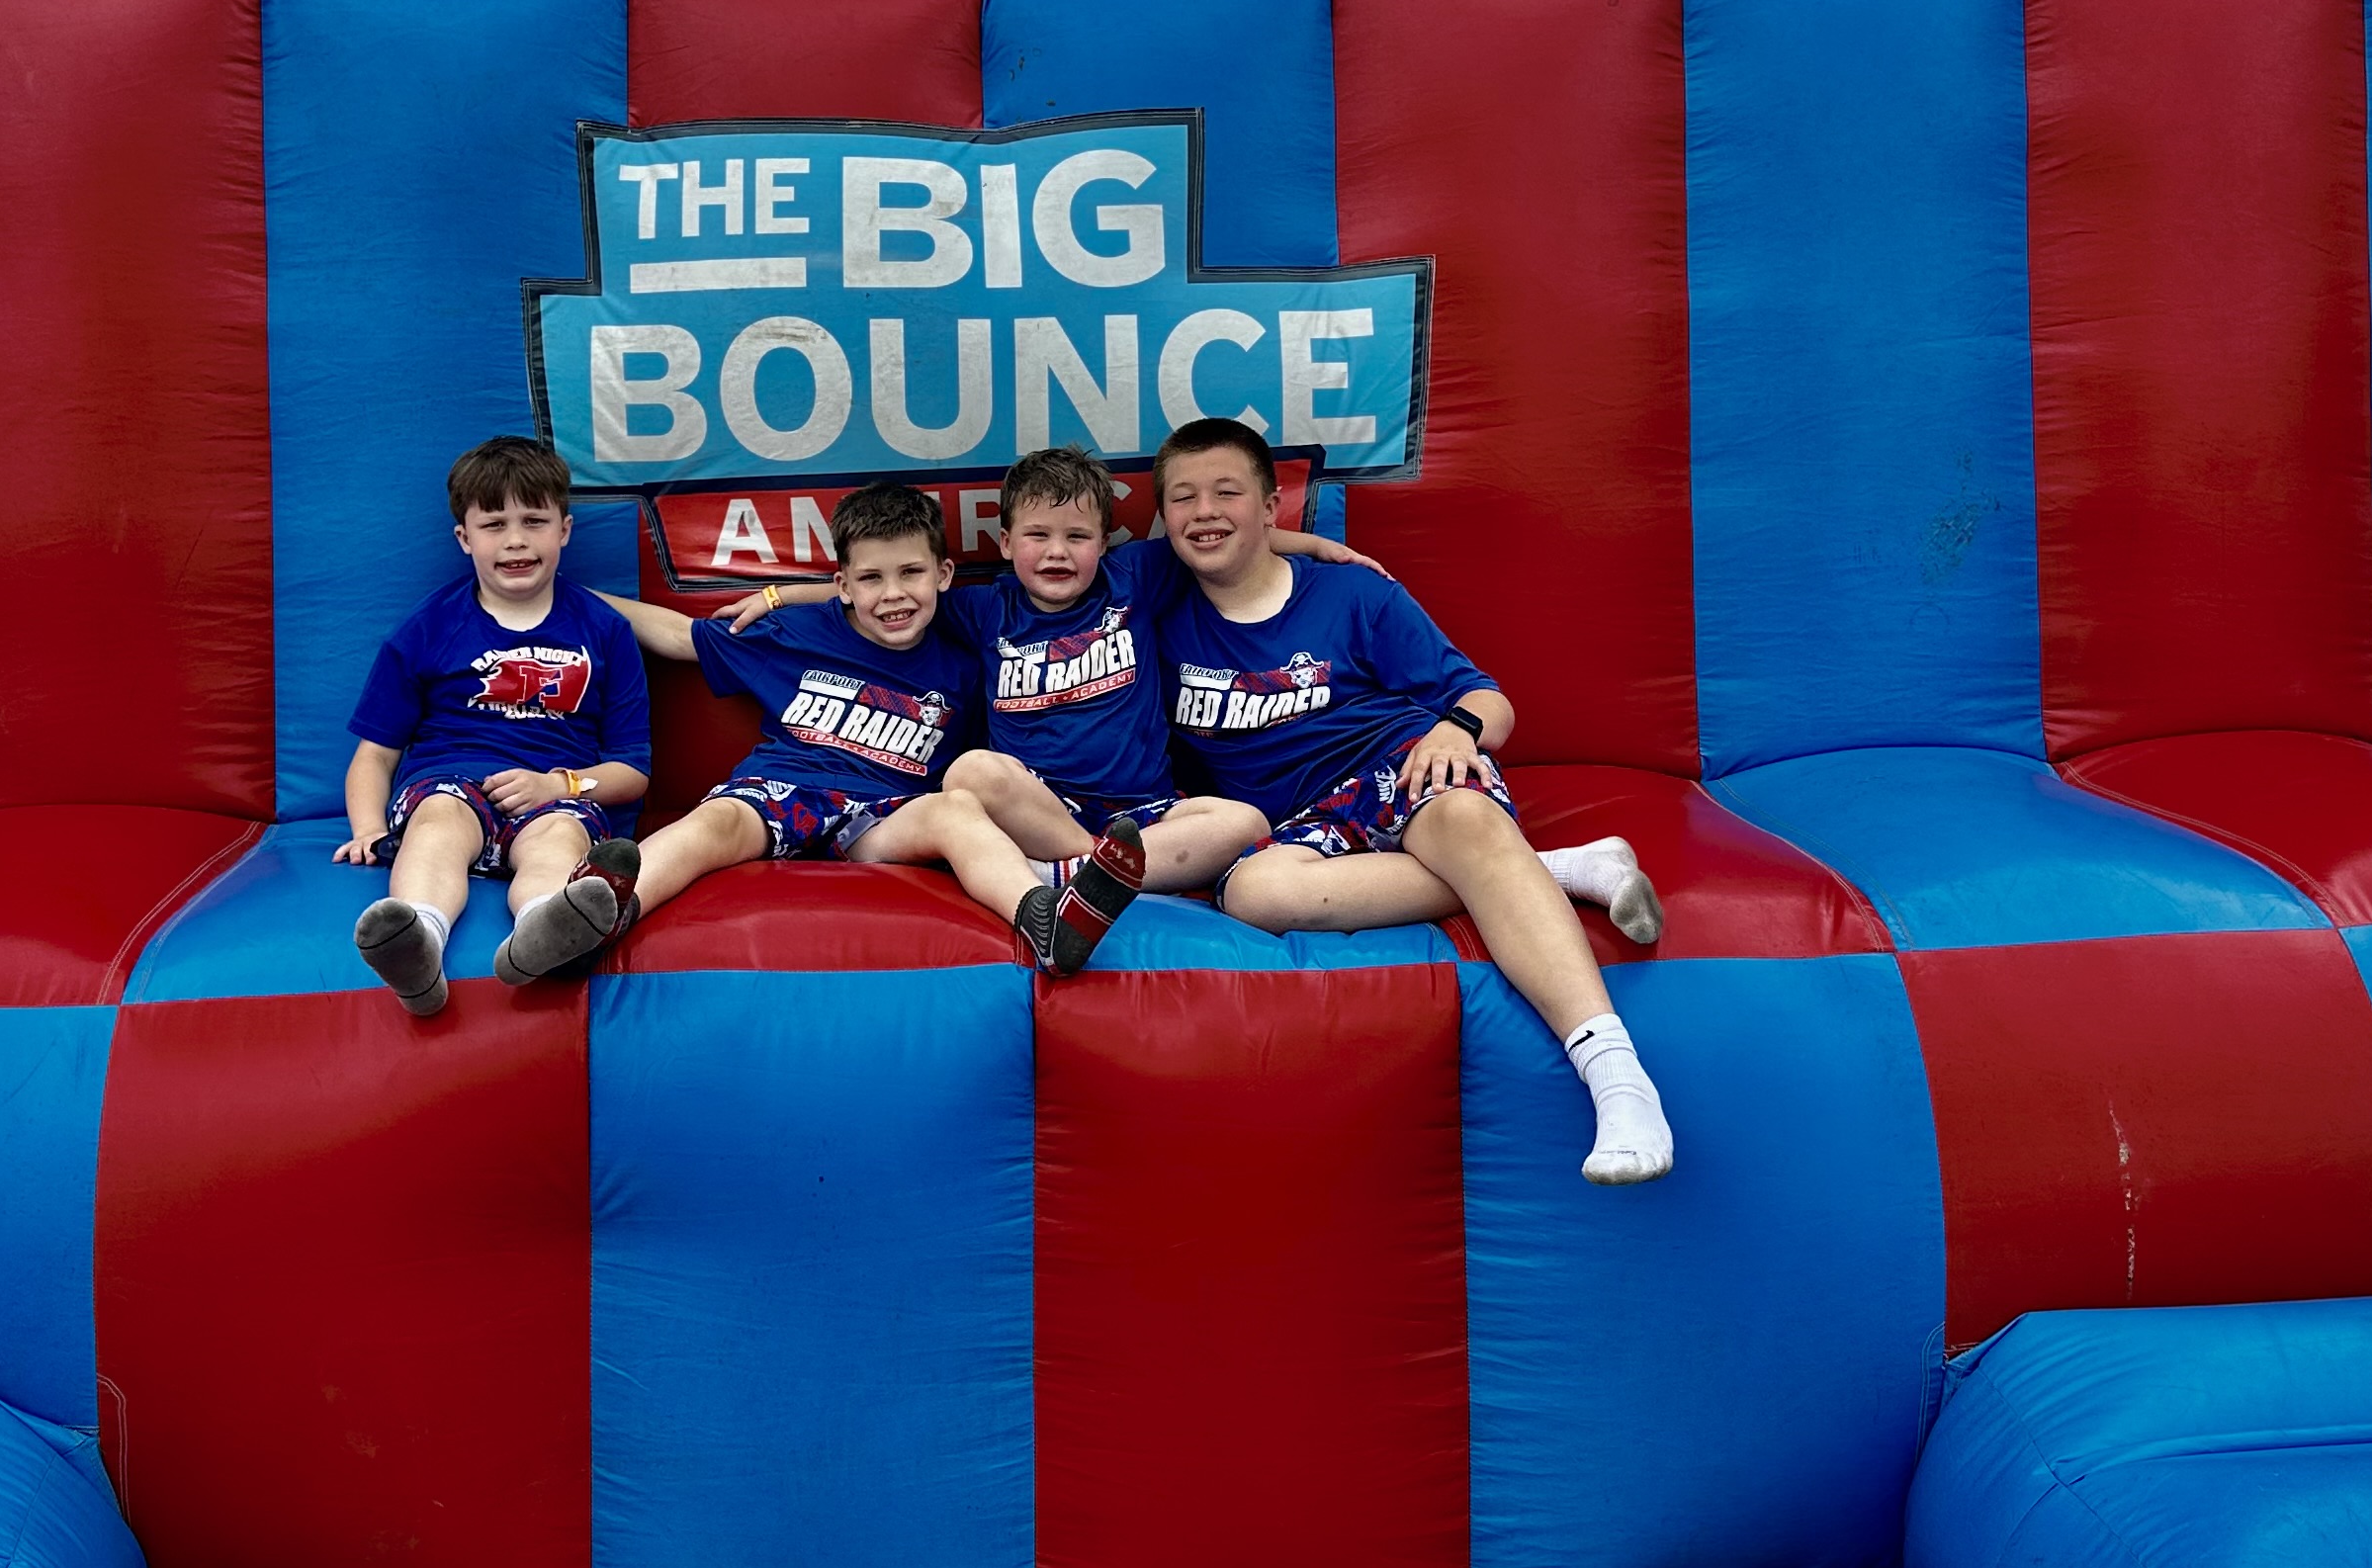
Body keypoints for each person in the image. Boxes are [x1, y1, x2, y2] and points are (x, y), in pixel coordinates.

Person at [1147, 417, 1675, 1184]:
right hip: (1301, 823)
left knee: (1461, 816)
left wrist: (1457, 731)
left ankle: (1618, 1078)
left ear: (1270, 507)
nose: (1205, 511)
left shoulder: (1355, 594)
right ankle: (1550, 868)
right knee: (1251, 892)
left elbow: (1489, 700)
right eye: (1184, 497)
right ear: (1162, 519)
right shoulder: (1154, 610)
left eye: (1228, 492)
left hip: (1403, 765)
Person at [535, 479, 1149, 981]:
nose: (893, 596)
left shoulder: (969, 652)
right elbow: (675, 636)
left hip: (885, 812)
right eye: (872, 580)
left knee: (956, 810)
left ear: (943, 574)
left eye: (910, 574)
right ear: (843, 587)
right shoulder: (800, 632)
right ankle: (601, 914)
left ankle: (1044, 921)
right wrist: (562, 591)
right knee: (714, 822)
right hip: (784, 790)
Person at [720, 446, 1357, 904]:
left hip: (1145, 812)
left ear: (1106, 542)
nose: (1057, 551)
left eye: (1078, 535)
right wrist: (781, 597)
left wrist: (1312, 547)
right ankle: (1101, 871)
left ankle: (1071, 879)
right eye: (1038, 535)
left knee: (1243, 822)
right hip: (1036, 807)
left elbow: (1220, 541)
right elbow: (886, 584)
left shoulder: (1136, 577)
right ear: (1004, 543)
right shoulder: (982, 607)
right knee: (970, 772)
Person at [337, 435, 652, 1016]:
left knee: (560, 839)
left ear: (564, 530)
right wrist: (365, 827)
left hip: (555, 795)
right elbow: (376, 752)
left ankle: (542, 929)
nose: (515, 540)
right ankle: (418, 941)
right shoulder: (430, 627)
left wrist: (561, 785)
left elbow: (632, 772)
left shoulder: (605, 631)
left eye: (535, 520)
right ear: (464, 538)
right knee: (436, 822)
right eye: (494, 524)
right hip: (450, 784)